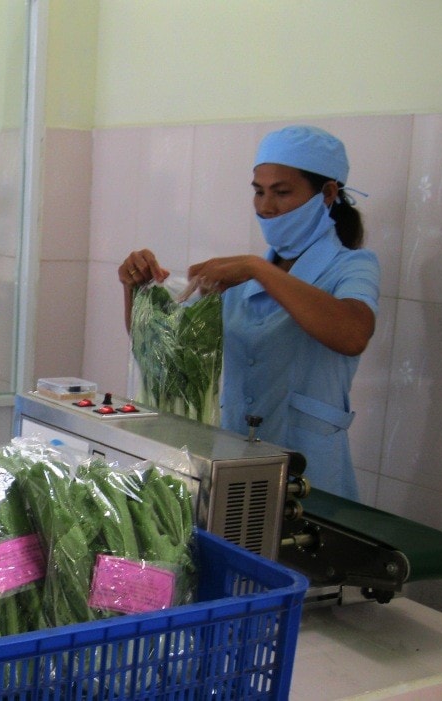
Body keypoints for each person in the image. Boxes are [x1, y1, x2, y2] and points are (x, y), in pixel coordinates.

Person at [119, 126, 379, 500]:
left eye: (282, 192)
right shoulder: (242, 278)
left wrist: (259, 269)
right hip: (232, 464)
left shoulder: (351, 266)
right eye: (259, 191)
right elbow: (164, 352)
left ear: (327, 194)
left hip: (311, 478)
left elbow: (353, 334)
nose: (265, 207)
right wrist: (134, 288)